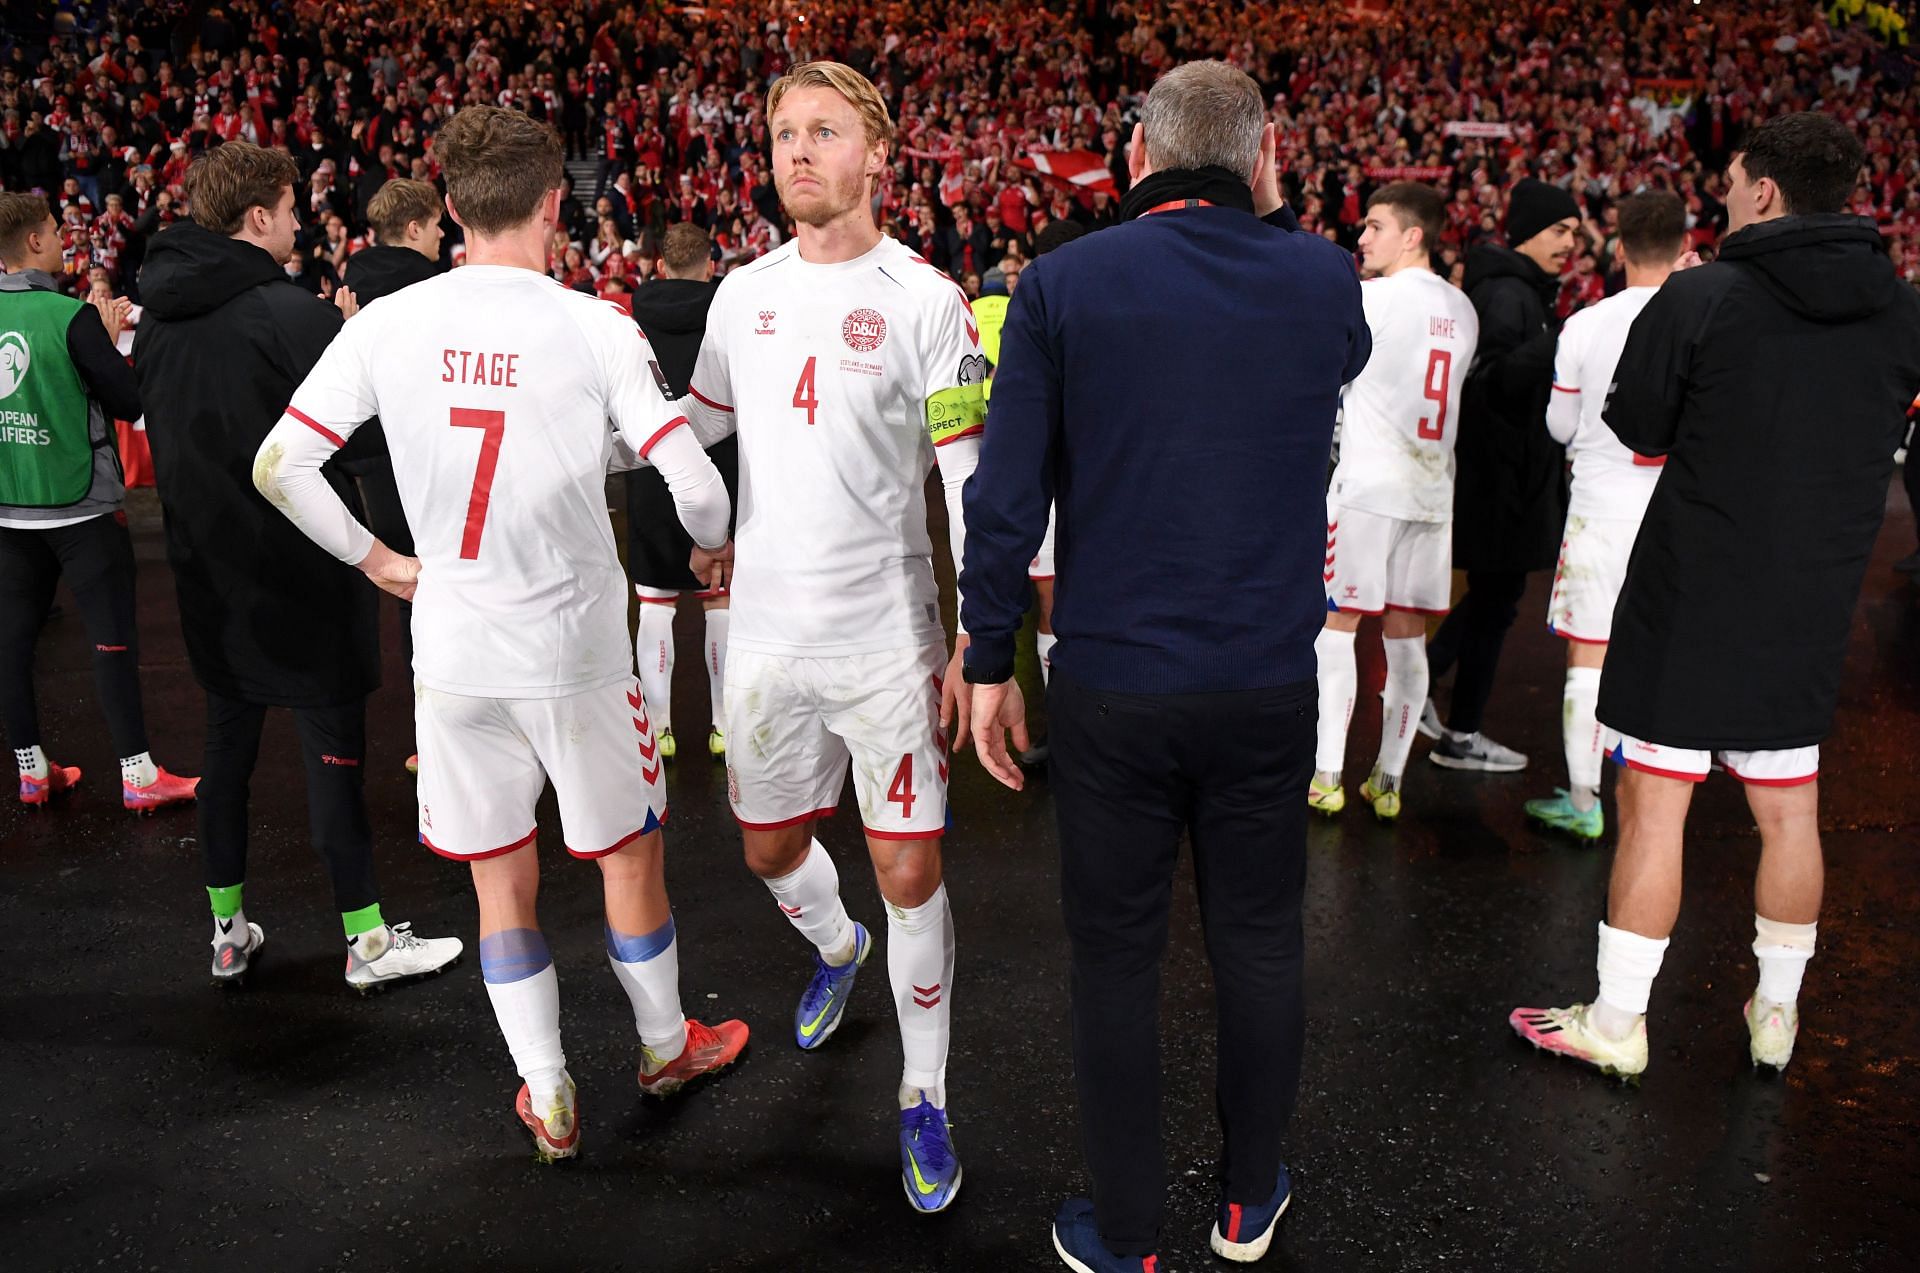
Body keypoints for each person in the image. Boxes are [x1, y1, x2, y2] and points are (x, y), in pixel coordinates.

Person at [252, 105, 748, 1159]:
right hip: (573, 651)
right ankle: (664, 1049)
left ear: (451, 208)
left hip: (457, 649)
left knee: (499, 879)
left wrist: (381, 561)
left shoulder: (386, 323)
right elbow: (697, 490)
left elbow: (279, 464)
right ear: (554, 204)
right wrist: (712, 546)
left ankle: (550, 1091)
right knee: (627, 859)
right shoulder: (591, 324)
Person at [963, 61, 1370, 1271]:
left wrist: (990, 657)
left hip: (1115, 683)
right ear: (1264, 156)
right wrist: (1274, 206)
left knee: (1116, 958)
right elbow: (1329, 344)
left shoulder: (1064, 282)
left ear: (1137, 153)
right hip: (1261, 677)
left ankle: (1127, 1230)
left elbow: (1006, 494)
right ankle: (1248, 1199)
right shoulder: (1321, 275)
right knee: (1257, 940)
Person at [1511, 113, 1920, 1080]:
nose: (1725, 195)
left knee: (1656, 803)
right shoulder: (1902, 309)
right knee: (1790, 810)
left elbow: (1642, 432)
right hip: (1814, 594)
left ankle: (1619, 1020)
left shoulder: (1703, 295)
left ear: (1766, 190)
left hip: (1694, 585)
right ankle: (1775, 1014)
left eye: (1734, 179)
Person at [675, 61, 985, 1214]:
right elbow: (698, 431)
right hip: (761, 641)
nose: (797, 151)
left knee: (913, 867)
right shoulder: (740, 296)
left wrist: (977, 637)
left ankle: (922, 1092)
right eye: (783, 133)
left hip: (885, 644)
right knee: (766, 852)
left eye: (824, 132)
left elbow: (968, 478)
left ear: (879, 156)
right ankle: (836, 947)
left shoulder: (926, 300)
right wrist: (702, 528)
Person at [133, 140, 461, 991]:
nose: (299, 221)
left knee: (226, 760)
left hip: (207, 574)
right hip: (303, 574)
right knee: (333, 763)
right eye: (289, 207)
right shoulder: (292, 314)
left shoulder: (158, 315)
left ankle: (227, 930)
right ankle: (367, 941)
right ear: (257, 218)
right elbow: (360, 450)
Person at [0, 192, 197, 812]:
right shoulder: (68, 316)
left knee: (12, 643)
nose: (63, 240)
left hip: (9, 508)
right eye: (56, 231)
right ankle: (138, 777)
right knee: (111, 640)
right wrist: (108, 340)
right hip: (82, 507)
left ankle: (31, 772)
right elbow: (129, 401)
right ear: (34, 241)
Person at [1522, 192, 1690, 841]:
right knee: (1665, 652)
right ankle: (1655, 794)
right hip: (1675, 509)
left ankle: (1586, 800)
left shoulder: (1586, 324)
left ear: (1618, 249)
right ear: (1682, 247)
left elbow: (1560, 424)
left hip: (1599, 507)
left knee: (1589, 655)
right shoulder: (1706, 314)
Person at [1311, 182, 1478, 822]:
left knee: (1338, 629)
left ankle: (1327, 774)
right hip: (1433, 494)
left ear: (1413, 235)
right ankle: (1389, 778)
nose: (1362, 238)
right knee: (1408, 639)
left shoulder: (1369, 298)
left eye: (1375, 226)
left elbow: (1330, 376)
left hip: (1369, 489)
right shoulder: (1463, 309)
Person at [1423, 177, 1581, 772]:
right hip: (1502, 480)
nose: (1572, 242)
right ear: (1529, 233)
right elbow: (1496, 383)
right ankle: (1454, 727)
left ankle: (1437, 705)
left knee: (1495, 598)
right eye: (1560, 230)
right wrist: (1563, 339)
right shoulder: (1511, 295)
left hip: (1508, 477)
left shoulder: (1520, 289)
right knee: (1496, 602)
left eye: (1573, 232)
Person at [340, 176, 447, 774]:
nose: (441, 236)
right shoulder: (433, 288)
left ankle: (425, 736)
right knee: (448, 582)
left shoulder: (349, 284)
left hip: (366, 458)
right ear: (413, 230)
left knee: (411, 590)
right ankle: (454, 733)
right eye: (435, 227)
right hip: (424, 452)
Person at [627, 221, 734, 762]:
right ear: (709, 266)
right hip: (719, 471)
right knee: (720, 604)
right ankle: (724, 729)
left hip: (650, 470)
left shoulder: (630, 321)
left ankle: (659, 730)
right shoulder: (727, 318)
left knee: (655, 606)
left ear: (660, 267)